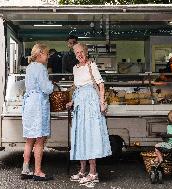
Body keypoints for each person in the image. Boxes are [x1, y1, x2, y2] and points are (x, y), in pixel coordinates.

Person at [66, 43, 112, 186]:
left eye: (81, 52)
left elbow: (101, 84)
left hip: (91, 104)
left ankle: (93, 173)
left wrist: (102, 102)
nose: (79, 54)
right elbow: (77, 87)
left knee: (90, 136)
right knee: (81, 136)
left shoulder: (92, 65)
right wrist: (72, 101)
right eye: (76, 52)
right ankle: (82, 170)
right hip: (80, 105)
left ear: (86, 52)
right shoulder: (75, 68)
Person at [21, 43, 55, 181]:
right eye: (47, 54)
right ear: (40, 53)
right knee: (40, 139)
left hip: (29, 103)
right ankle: (38, 171)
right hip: (38, 105)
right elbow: (46, 88)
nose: (48, 57)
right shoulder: (41, 68)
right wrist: (52, 85)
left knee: (29, 140)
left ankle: (25, 170)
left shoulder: (29, 67)